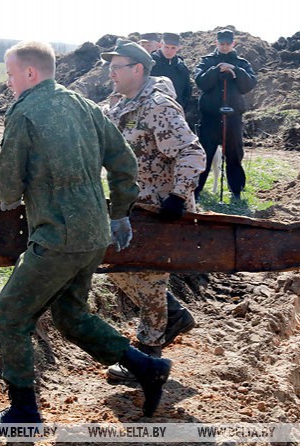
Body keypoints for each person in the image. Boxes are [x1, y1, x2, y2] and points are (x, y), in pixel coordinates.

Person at [0, 40, 172, 424]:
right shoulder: (84, 105)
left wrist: (8, 196)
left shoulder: (25, 111)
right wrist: (118, 214)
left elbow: (6, 187)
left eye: (10, 74)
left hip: (57, 238)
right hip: (95, 235)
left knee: (9, 317)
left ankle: (23, 411)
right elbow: (124, 162)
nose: (8, 82)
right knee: (70, 316)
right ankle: (147, 368)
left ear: (30, 73)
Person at [99, 39, 206, 381]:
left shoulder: (158, 108)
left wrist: (178, 196)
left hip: (161, 209)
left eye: (117, 67)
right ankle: (172, 315)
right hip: (134, 205)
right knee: (115, 265)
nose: (110, 72)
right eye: (110, 67)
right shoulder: (121, 102)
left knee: (150, 278)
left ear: (138, 70)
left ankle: (149, 357)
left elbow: (192, 153)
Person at [193, 29, 257, 201]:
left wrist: (236, 71)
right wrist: (216, 70)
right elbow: (201, 82)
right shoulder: (206, 61)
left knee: (235, 154)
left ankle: (236, 191)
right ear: (216, 43)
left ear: (233, 43)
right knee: (204, 154)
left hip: (233, 118)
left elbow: (249, 85)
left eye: (228, 44)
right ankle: (196, 191)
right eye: (221, 43)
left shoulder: (242, 63)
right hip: (210, 118)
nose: (225, 47)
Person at [150, 32, 192, 111]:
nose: (169, 51)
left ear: (179, 48)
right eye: (166, 47)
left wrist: (182, 105)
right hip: (152, 110)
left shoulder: (181, 66)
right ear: (160, 45)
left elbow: (187, 89)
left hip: (176, 110)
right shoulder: (150, 63)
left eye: (173, 48)